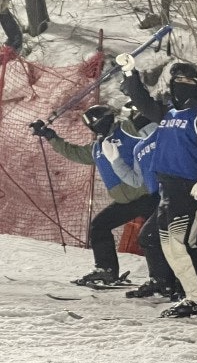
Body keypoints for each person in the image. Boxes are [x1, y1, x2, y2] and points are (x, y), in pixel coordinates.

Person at [119, 56, 197, 318]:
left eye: (186, 80)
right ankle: (193, 295)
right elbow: (143, 102)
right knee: (172, 246)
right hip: (167, 187)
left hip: (190, 187)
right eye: (176, 80)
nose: (180, 85)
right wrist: (131, 75)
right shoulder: (168, 112)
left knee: (186, 244)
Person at [30, 105, 155, 287]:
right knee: (99, 226)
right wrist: (50, 135)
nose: (97, 126)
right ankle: (106, 271)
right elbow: (74, 152)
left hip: (146, 194)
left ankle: (164, 279)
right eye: (93, 124)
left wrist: (137, 100)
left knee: (156, 236)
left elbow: (147, 117)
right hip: (126, 202)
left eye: (99, 121)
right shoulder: (97, 147)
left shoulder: (126, 129)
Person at [121, 113, 181, 300]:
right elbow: (139, 180)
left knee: (167, 238)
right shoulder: (144, 145)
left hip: (174, 191)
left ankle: (179, 283)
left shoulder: (160, 137)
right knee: (158, 237)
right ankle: (166, 281)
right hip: (163, 195)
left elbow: (139, 180)